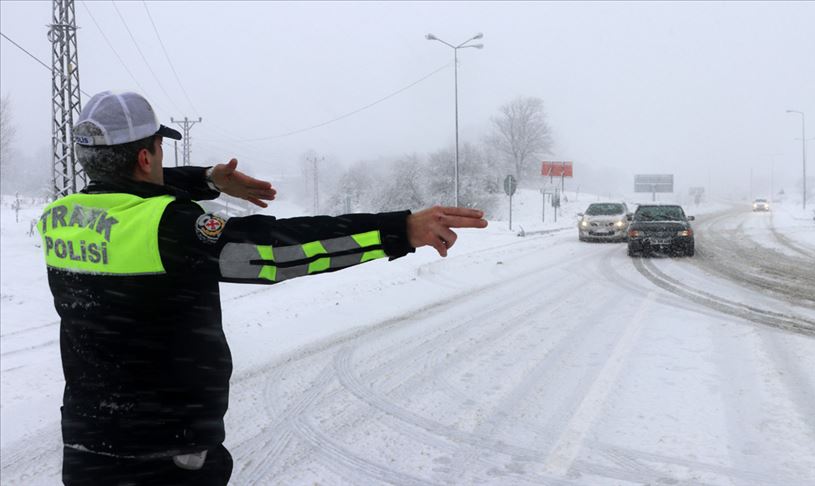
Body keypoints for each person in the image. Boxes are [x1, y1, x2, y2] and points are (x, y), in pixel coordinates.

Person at [39, 90, 488, 485]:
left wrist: (208, 180)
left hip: (87, 447)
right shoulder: (167, 229)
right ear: (145, 157)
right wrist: (398, 230)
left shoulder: (60, 219)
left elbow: (127, 191)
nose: (161, 160)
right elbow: (275, 252)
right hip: (164, 455)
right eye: (158, 149)